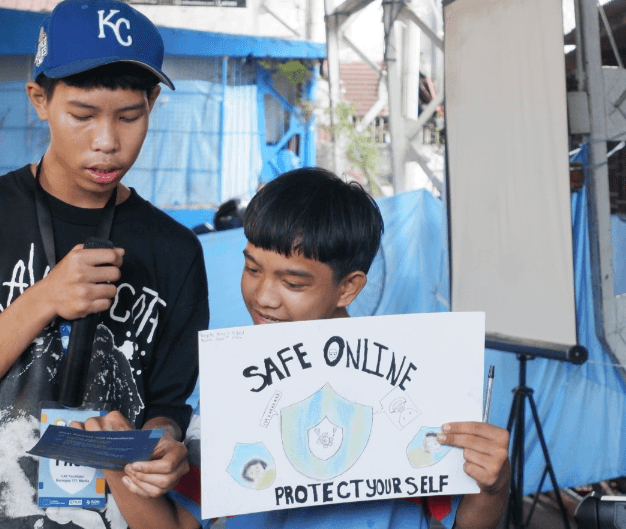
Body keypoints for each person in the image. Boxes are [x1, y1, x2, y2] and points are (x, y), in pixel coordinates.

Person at [0, 0, 209, 528]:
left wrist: (164, 449)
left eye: (129, 117)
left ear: (153, 102)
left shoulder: (175, 250)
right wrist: (42, 300)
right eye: (82, 115)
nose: (107, 142)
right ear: (39, 99)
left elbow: (166, 408)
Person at [159, 168, 511, 529]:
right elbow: (181, 521)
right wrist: (120, 458)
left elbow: (466, 523)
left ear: (348, 288)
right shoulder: (234, 381)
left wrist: (494, 485)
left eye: (293, 283)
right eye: (251, 269)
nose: (263, 297)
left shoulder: (419, 380)